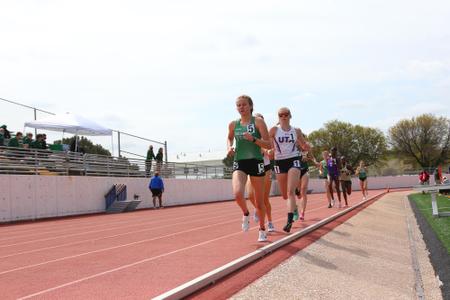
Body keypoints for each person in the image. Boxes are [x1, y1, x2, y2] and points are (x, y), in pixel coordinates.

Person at [227, 95, 271, 242]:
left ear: (251, 106)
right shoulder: (233, 124)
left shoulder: (258, 122)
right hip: (239, 161)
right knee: (237, 194)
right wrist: (230, 147)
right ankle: (245, 213)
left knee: (259, 202)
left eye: (244, 105)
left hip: (256, 162)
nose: (241, 108)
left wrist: (253, 139)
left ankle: (262, 229)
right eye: (238, 105)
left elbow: (268, 144)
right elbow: (229, 138)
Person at [270, 107, 310, 233]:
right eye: (281, 114)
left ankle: (289, 221)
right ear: (278, 117)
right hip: (279, 161)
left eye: (286, 114)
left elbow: (303, 146)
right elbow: (266, 143)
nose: (283, 116)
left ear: (290, 116)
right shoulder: (274, 130)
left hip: (294, 160)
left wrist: (306, 146)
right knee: (284, 195)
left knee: (290, 191)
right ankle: (295, 208)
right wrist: (268, 151)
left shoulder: (296, 130)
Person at [246, 113, 275, 232]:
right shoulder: (247, 134)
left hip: (265, 168)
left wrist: (268, 151)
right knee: (251, 196)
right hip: (251, 167)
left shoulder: (266, 136)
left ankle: (270, 222)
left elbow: (270, 152)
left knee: (264, 199)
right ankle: (258, 209)